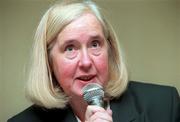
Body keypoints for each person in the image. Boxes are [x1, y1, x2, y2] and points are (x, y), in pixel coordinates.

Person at [8, 0, 180, 122]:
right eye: (70, 48)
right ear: (48, 61)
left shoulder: (164, 104)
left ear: (110, 49)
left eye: (95, 44)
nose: (86, 62)